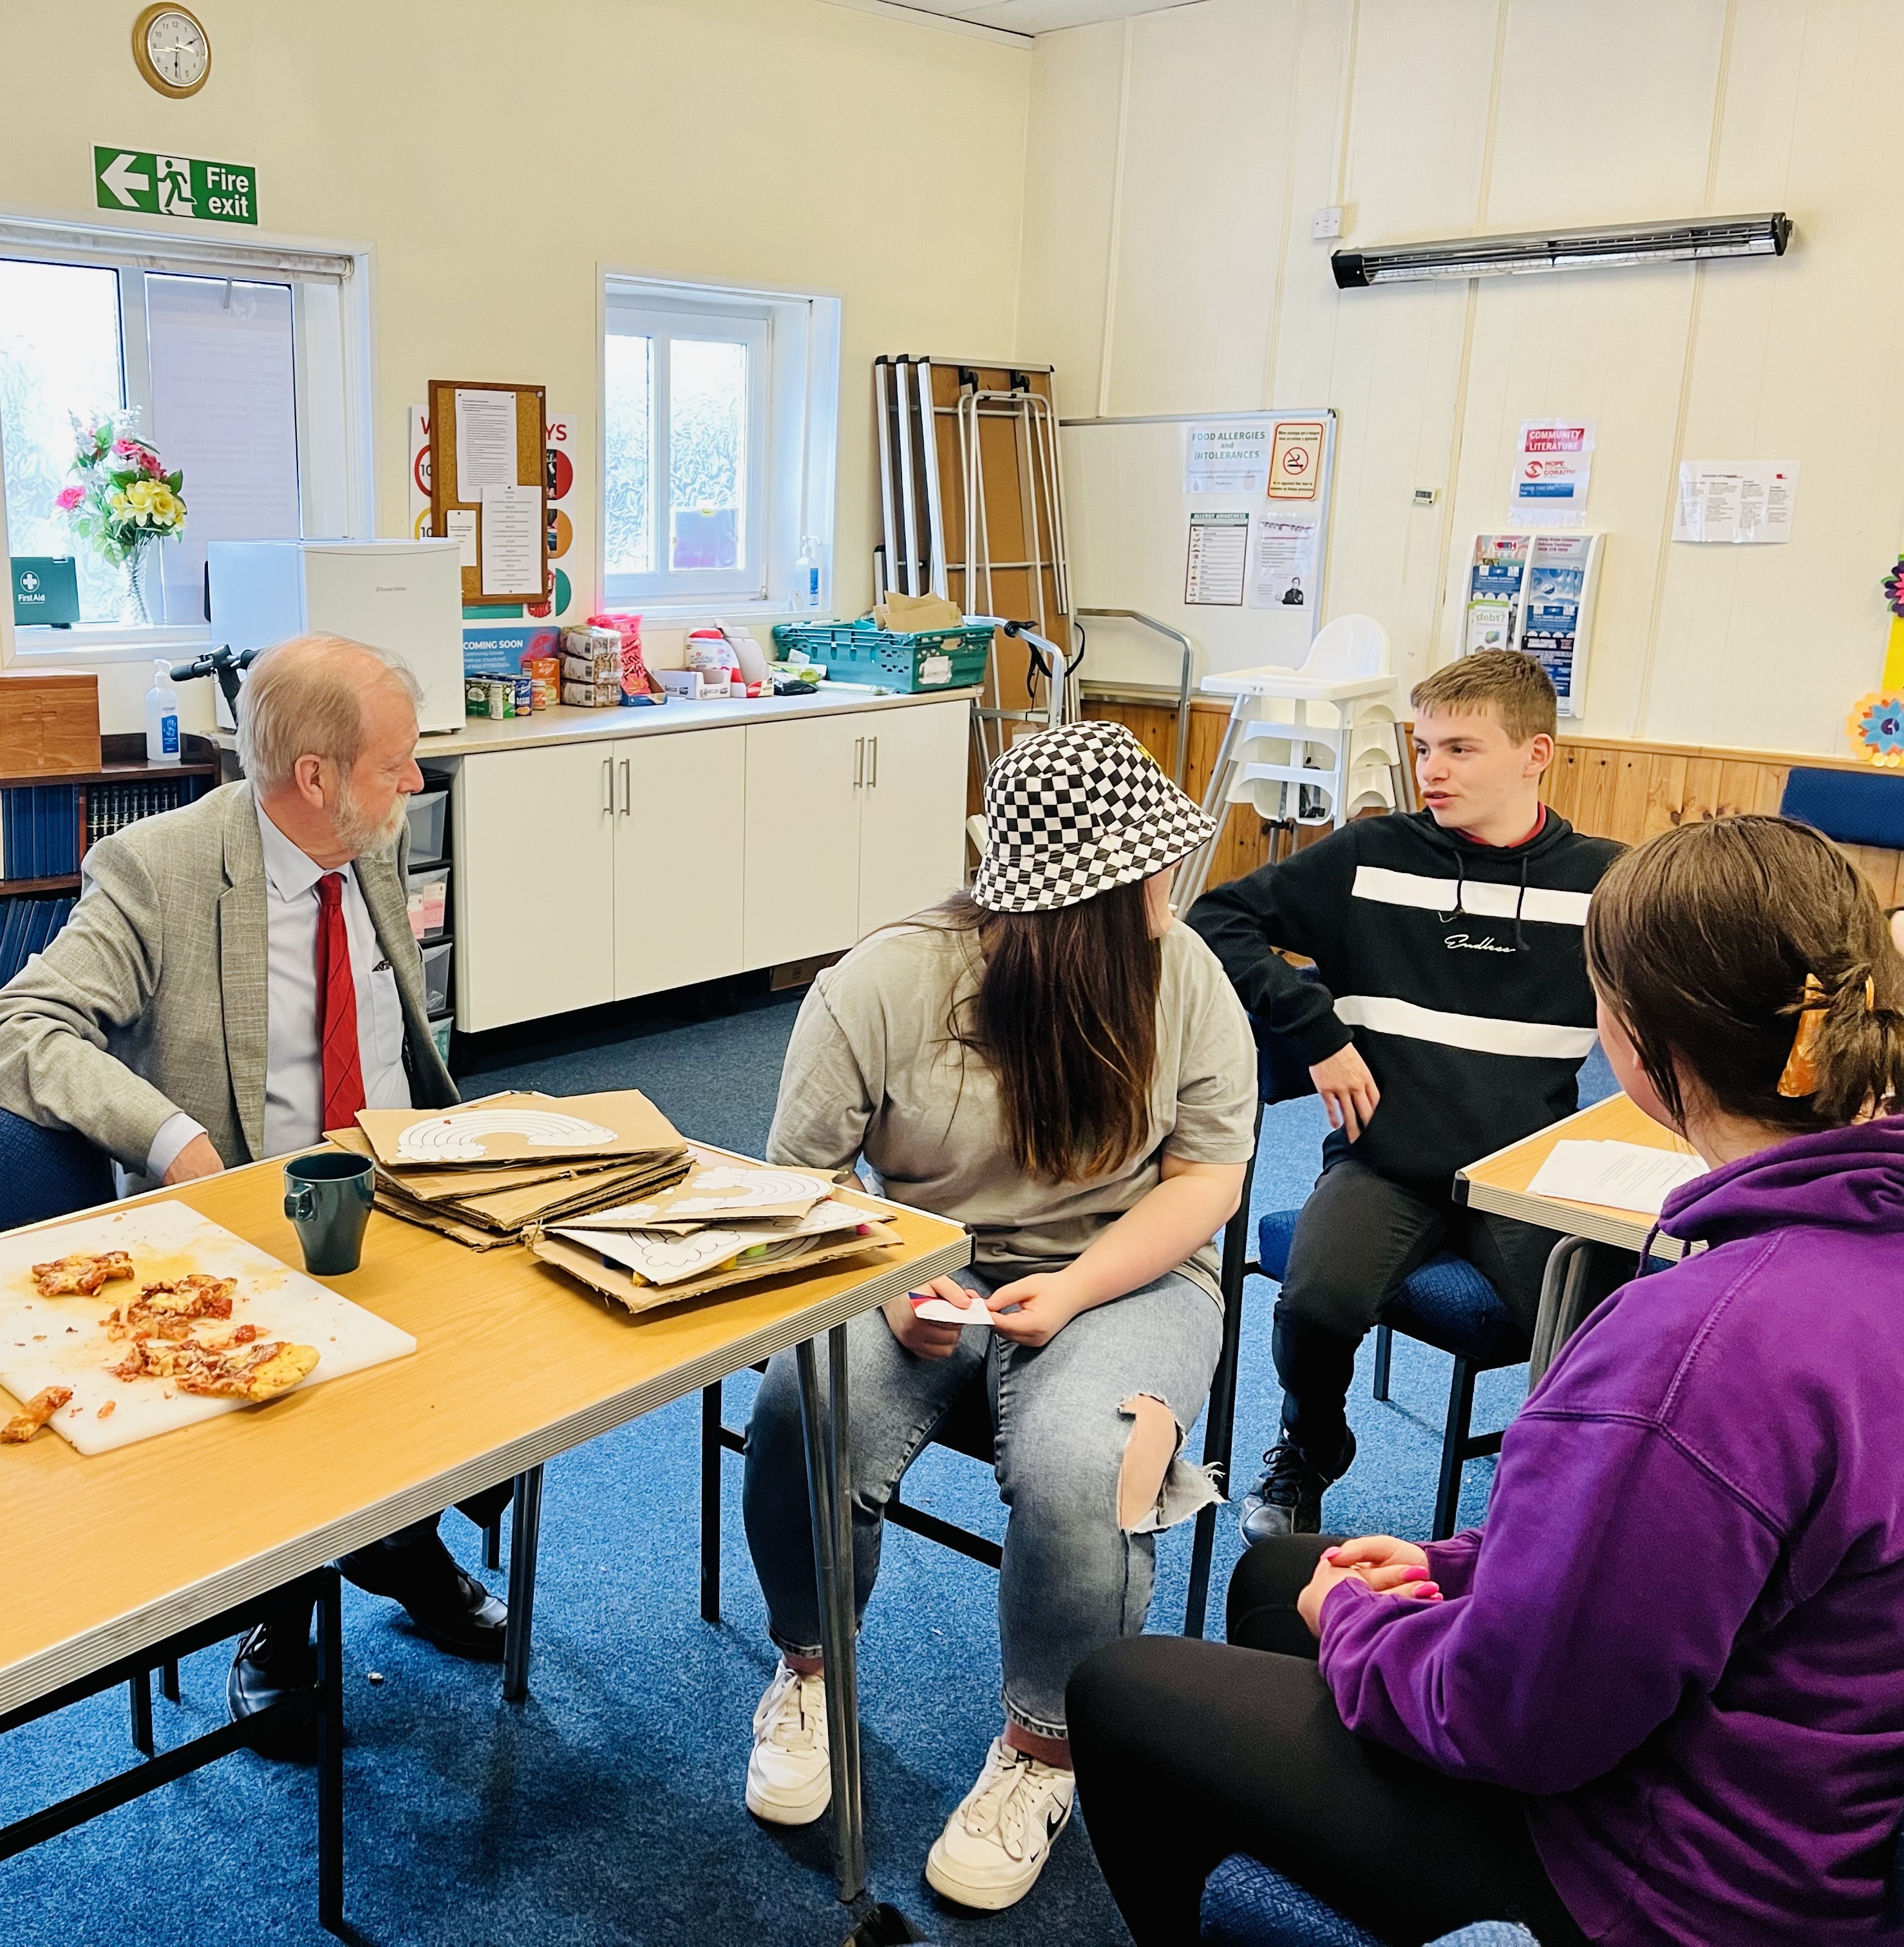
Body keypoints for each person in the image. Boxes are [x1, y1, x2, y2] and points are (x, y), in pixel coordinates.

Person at [1069, 813, 1904, 1945]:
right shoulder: (1847, 1259)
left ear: (1636, 1039)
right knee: (1276, 1575)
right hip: (1810, 1802)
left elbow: (1524, 1716)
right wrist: (1453, 1561)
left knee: (1124, 1691)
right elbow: (1687, 1559)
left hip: (1658, 1880)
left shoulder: (1689, 1348)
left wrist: (1360, 1625)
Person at [738, 720, 1254, 1914]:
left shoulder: (1184, 973)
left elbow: (1209, 1176)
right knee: (795, 1405)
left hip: (1124, 1270)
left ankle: (1042, 1750)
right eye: (1149, 870)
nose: (1168, 885)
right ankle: (806, 1668)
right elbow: (792, 1198)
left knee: (1090, 1458)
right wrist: (892, 1293)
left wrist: (1074, 1289)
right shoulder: (878, 983)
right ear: (1085, 905)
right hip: (910, 1261)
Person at [0, 632, 511, 1760]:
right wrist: (172, 1139)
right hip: (243, 1219)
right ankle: (277, 1614)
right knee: (282, 1402)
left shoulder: (368, 836)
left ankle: (400, 1538)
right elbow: (13, 1032)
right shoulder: (156, 868)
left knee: (507, 1350)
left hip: (398, 1183)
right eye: (393, 763)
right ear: (312, 776)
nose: (415, 782)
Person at [1187, 649, 1623, 1538]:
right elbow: (1216, 919)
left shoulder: (1607, 882)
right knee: (1313, 1303)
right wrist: (1317, 1031)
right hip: (1385, 1161)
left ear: (1536, 753)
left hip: (1524, 1169)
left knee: (1606, 1329)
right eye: (1423, 747)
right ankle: (1310, 1449)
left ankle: (1552, 1501)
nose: (1432, 770)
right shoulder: (1370, 857)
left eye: (1461, 749)